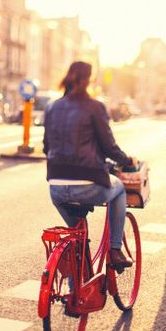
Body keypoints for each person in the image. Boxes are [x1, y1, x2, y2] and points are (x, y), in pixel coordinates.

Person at [43, 61, 136, 268]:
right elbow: (109, 147)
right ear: (89, 80)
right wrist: (127, 160)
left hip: (56, 187)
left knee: (78, 238)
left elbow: (46, 147)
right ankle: (115, 250)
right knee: (119, 188)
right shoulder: (95, 107)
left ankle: (78, 275)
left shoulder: (52, 107)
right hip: (87, 185)